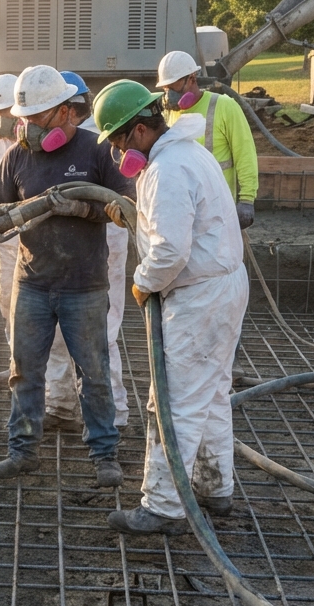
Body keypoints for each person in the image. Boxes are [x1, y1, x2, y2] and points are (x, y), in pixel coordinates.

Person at [92, 79, 249, 535]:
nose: (120, 154)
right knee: (214, 393)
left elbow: (169, 252)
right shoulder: (189, 153)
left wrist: (142, 284)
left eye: (120, 141)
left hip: (199, 296)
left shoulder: (168, 169)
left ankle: (163, 507)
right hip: (223, 285)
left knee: (173, 401)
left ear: (140, 130)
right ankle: (214, 487)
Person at [0, 65, 136, 485]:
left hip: (84, 286)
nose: (28, 127)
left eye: (37, 118)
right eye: (24, 118)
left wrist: (84, 208)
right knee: (24, 371)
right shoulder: (17, 156)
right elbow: (2, 209)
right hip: (31, 283)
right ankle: (23, 452)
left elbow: (126, 206)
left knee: (94, 373)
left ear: (67, 112)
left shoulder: (97, 151)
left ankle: (104, 455)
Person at [0, 74, 82, 428]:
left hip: (43, 249)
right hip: (8, 250)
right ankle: (26, 379)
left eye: (7, 111)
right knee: (14, 317)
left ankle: (62, 401)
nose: (2, 118)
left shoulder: (41, 149)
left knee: (57, 329)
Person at [62, 71, 131, 433]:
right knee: (82, 333)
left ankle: (112, 415)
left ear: (69, 110)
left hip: (104, 249)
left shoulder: (98, 143)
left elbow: (121, 201)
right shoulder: (69, 140)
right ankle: (66, 406)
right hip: (72, 255)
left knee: (100, 333)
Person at [156, 51, 259, 229]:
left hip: (219, 210)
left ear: (192, 78)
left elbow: (245, 154)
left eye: (174, 87)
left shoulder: (224, 106)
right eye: (166, 89)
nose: (170, 94)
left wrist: (247, 200)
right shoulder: (168, 115)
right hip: (183, 211)